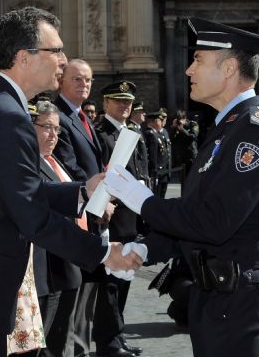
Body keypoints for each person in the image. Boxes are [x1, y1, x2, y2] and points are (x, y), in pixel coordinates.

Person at [0, 6, 143, 357]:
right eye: (56, 51)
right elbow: (31, 214)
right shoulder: (8, 115)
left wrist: (81, 190)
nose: (64, 60)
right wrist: (102, 253)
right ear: (24, 57)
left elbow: (13, 190)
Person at [104, 17, 259, 357]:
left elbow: (214, 221)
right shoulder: (228, 127)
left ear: (230, 68)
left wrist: (141, 199)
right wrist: (148, 249)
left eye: (198, 60)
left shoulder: (253, 130)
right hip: (216, 290)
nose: (189, 70)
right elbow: (194, 214)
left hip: (235, 291)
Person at [53, 58, 105, 357]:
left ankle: (82, 350)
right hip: (75, 215)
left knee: (88, 294)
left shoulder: (82, 116)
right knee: (71, 298)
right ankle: (74, 350)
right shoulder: (58, 116)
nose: (84, 85)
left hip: (92, 216)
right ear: (62, 81)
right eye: (77, 79)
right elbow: (69, 170)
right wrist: (99, 202)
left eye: (88, 80)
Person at [25, 100, 85, 357]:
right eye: (47, 127)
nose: (53, 135)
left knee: (61, 339)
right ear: (30, 127)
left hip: (67, 263)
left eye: (57, 129)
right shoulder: (28, 165)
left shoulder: (53, 161)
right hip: (48, 268)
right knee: (45, 343)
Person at [93, 81, 147, 357]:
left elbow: (142, 171)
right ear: (105, 104)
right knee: (110, 285)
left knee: (125, 279)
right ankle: (108, 341)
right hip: (112, 217)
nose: (124, 107)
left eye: (127, 102)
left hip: (131, 218)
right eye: (117, 101)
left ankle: (118, 334)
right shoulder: (100, 134)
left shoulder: (134, 131)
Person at [144, 110, 171, 198]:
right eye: (160, 120)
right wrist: (154, 172)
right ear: (155, 122)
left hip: (163, 170)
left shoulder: (158, 133)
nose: (161, 122)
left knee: (161, 195)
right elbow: (153, 156)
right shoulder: (150, 134)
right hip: (158, 171)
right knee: (157, 195)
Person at [170, 109, 199, 191]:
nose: (179, 122)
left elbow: (192, 136)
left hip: (191, 157)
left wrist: (182, 129)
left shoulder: (193, 124)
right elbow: (171, 139)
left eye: (181, 120)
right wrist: (174, 128)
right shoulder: (176, 127)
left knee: (192, 180)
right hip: (181, 158)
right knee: (183, 181)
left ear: (185, 118)